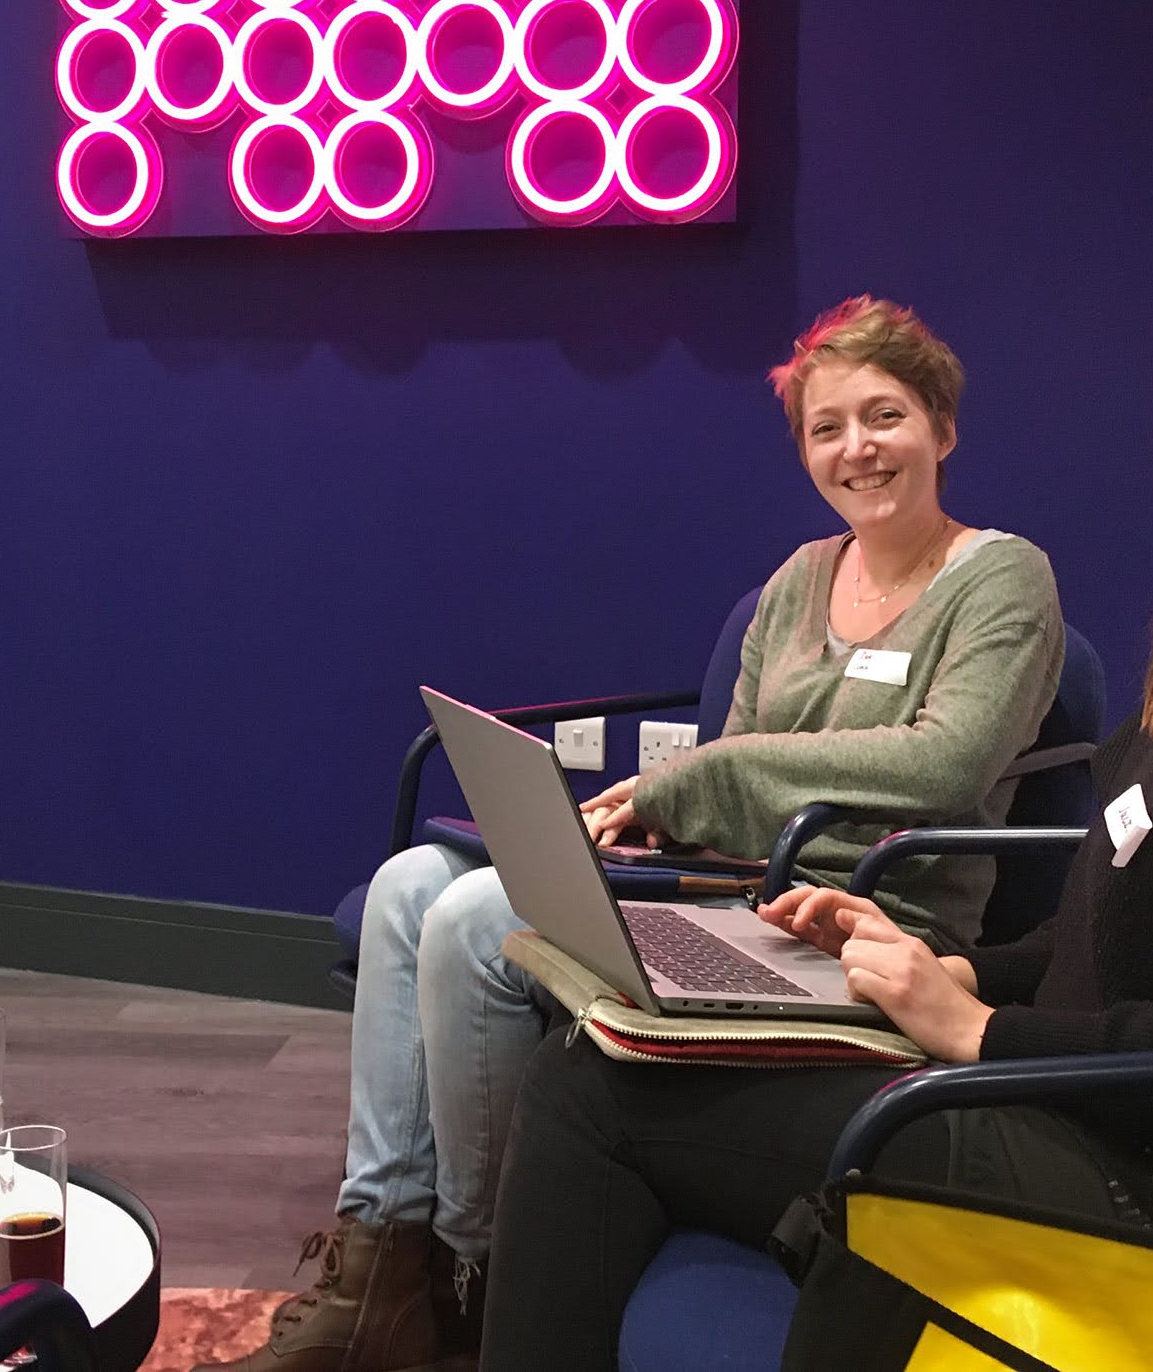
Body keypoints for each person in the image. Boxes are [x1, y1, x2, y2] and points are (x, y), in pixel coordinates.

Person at [478, 249, 1153, 1371]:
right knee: (615, 1050)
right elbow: (1110, 938)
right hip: (1102, 1122)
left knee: (593, 1091)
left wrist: (978, 1032)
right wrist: (952, 969)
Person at [200, 297, 1065, 1372]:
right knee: (409, 884)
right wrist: (668, 821)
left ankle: (473, 1267)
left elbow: (945, 763)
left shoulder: (1002, 576)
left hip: (865, 921)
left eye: (884, 415)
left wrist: (699, 781)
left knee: (473, 919)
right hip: (738, 881)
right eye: (826, 427)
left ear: (942, 424)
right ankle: (380, 1256)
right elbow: (739, 763)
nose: (857, 447)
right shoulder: (799, 578)